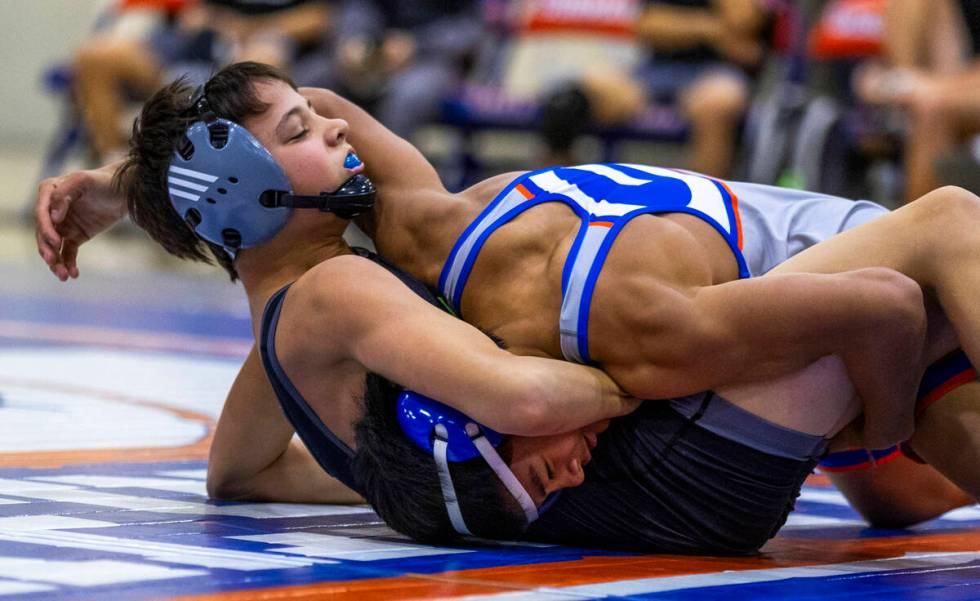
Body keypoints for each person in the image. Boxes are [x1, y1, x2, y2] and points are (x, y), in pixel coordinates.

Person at [33, 63, 980, 535]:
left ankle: (886, 440)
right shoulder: (337, 290)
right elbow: (529, 402)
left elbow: (233, 477)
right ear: (247, 193)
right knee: (941, 236)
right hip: (681, 469)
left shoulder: (284, 343)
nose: (338, 125)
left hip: (669, 486)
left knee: (909, 477)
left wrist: (133, 187)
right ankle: (880, 423)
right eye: (307, 131)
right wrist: (619, 377)